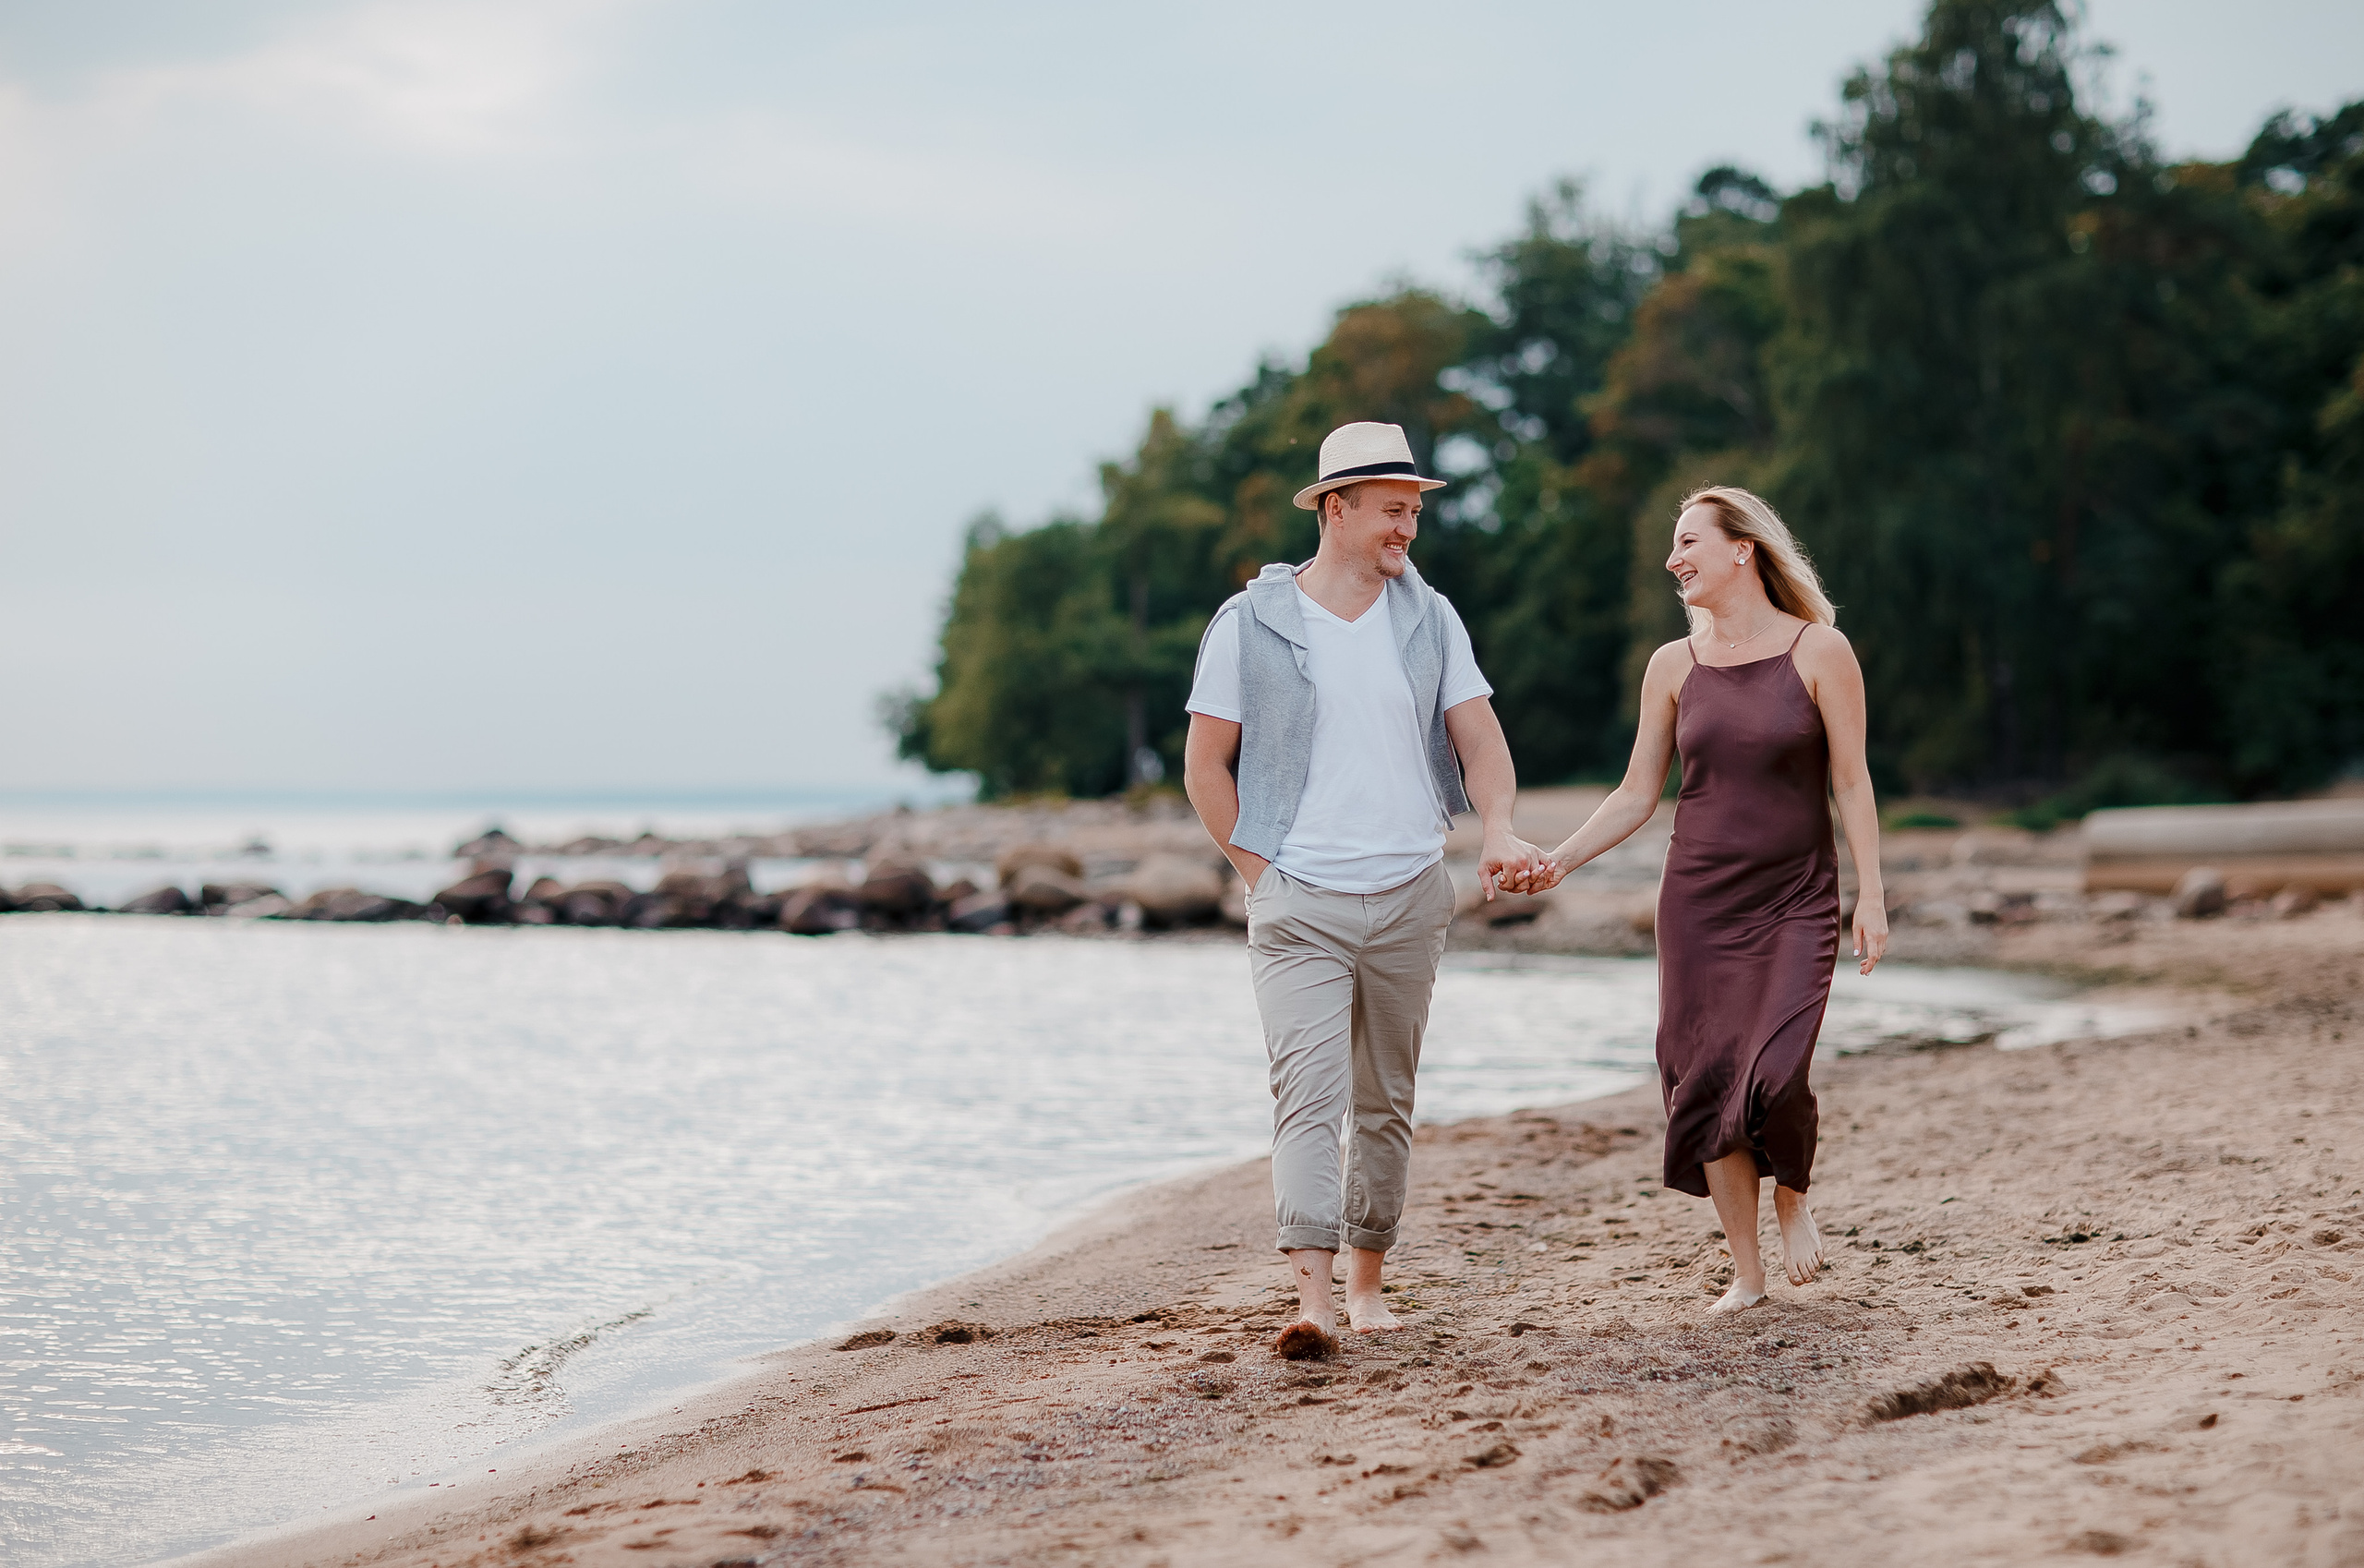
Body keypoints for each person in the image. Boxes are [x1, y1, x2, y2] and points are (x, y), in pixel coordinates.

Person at [1183, 421, 1546, 1357]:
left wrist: (1497, 826)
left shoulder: (1429, 619)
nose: (1407, 530)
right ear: (1334, 510)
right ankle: (1309, 1299)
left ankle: (1368, 1282)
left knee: (1384, 1099)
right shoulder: (1250, 623)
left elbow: (1480, 742)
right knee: (1306, 1096)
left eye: (1415, 512)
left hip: (1407, 896)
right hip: (1298, 904)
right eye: (1393, 511)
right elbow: (1205, 767)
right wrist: (1260, 877)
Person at [1508, 485, 1888, 1312]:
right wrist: (1561, 860)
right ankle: (1747, 1273)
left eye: (1688, 542)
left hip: (1796, 897)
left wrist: (1872, 895)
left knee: (1777, 1072)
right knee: (1704, 1079)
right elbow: (1637, 792)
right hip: (1698, 904)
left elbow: (1852, 782)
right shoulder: (1672, 666)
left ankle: (1793, 1194)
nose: (1673, 558)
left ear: (1742, 548)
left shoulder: (1821, 650)